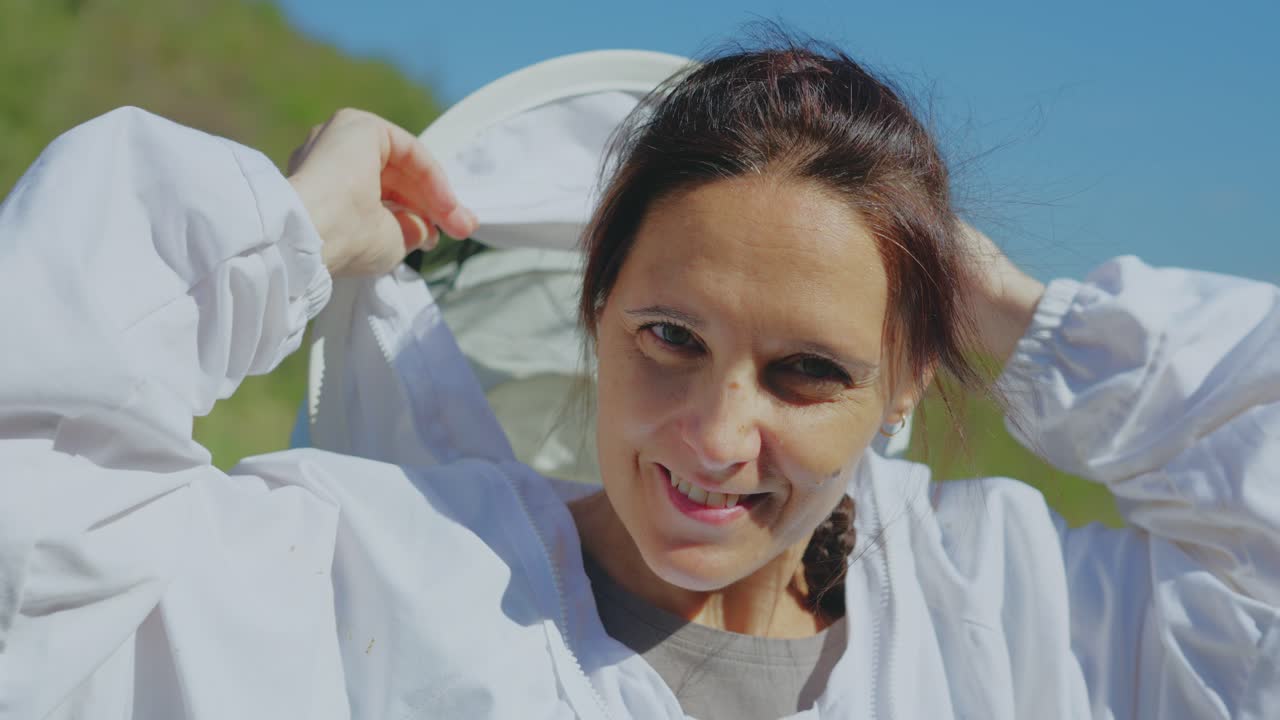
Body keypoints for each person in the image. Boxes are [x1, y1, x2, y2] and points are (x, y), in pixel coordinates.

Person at [1, 42, 1276, 720]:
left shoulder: (1016, 621)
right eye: (670, 337)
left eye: (807, 371)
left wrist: (1010, 312)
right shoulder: (371, 576)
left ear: (903, 385)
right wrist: (272, 231)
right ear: (596, 309)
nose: (718, 436)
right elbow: (29, 549)